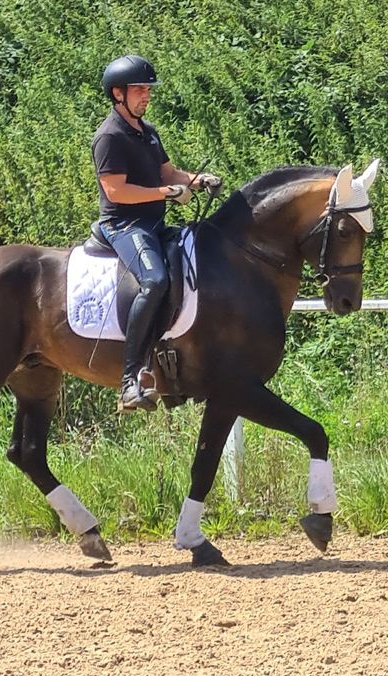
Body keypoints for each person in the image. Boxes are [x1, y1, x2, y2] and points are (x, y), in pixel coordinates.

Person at [92, 54, 222, 412]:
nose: (146, 96)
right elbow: (116, 191)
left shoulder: (148, 133)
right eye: (139, 90)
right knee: (154, 280)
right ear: (118, 94)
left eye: (148, 89)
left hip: (153, 224)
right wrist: (166, 194)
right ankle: (129, 380)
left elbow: (168, 174)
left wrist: (197, 180)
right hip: (124, 225)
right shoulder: (109, 137)